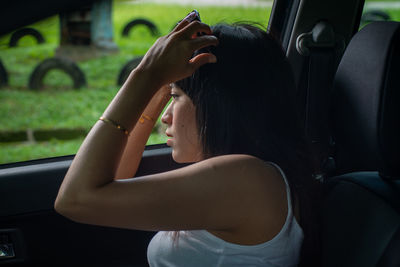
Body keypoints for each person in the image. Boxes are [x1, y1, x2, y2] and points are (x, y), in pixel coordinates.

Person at [55, 10, 321, 267]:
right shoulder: (255, 177)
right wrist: (161, 87)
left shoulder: (245, 179)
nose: (165, 117)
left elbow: (76, 199)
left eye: (176, 97)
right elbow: (117, 179)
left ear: (220, 104)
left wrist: (146, 75)